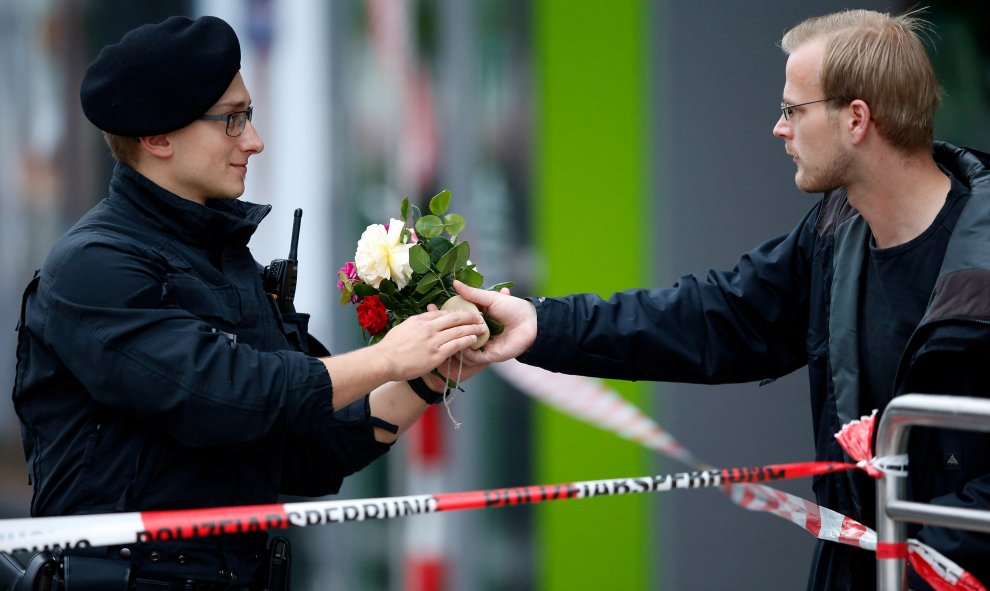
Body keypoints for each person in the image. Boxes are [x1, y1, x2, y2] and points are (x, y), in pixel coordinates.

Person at [455, 8, 990, 591]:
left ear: (856, 119)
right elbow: (712, 319)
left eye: (793, 109)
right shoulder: (836, 234)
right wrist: (540, 323)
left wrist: (921, 560)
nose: (778, 128)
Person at [11, 15, 487, 591]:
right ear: (157, 137)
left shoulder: (228, 260)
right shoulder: (93, 267)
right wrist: (388, 357)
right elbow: (223, 394)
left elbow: (315, 446)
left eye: (249, 116)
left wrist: (431, 370)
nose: (254, 141)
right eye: (231, 120)